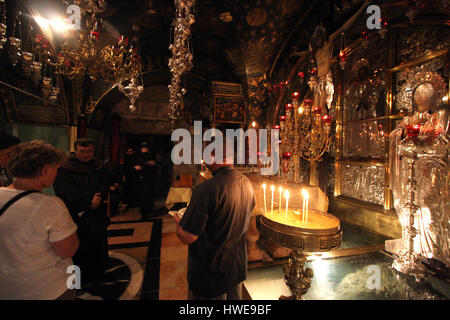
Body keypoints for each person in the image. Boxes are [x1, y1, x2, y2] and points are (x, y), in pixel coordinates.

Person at [173, 138, 256, 300]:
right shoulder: (246, 183)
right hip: (235, 268)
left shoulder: (206, 189)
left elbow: (188, 236)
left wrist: (179, 223)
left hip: (211, 274)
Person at [0, 140, 79, 300]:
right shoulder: (51, 206)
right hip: (46, 288)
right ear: (44, 170)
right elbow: (68, 250)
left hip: (6, 287)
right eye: (55, 169)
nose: (56, 174)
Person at [390, 80, 449, 268]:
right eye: (417, 94)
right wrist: (404, 132)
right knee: (410, 206)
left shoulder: (441, 114)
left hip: (431, 169)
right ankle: (413, 248)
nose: (419, 98)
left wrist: (418, 144)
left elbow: (443, 143)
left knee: (430, 211)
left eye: (424, 94)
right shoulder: (411, 118)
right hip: (410, 170)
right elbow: (397, 136)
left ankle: (434, 252)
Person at [292, 0, 371, 113]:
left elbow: (345, 26)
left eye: (319, 35)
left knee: (322, 105)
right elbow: (304, 52)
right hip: (318, 79)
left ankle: (324, 129)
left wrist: (363, 6)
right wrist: (295, 54)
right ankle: (316, 128)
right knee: (315, 107)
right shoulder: (314, 49)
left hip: (325, 76)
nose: (317, 39)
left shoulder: (328, 42)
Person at [53, 138, 111, 288]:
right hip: (76, 213)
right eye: (82, 151)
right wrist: (88, 202)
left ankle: (99, 274)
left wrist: (99, 197)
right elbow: (64, 190)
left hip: (96, 212)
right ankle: (81, 278)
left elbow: (105, 183)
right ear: (76, 150)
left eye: (89, 151)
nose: (85, 155)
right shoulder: (65, 167)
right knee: (80, 247)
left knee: (98, 244)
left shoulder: (98, 165)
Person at [133, 141, 157, 219]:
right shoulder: (138, 157)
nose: (145, 150)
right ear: (141, 149)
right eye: (144, 149)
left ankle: (149, 211)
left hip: (149, 179)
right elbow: (136, 167)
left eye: (146, 149)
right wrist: (138, 167)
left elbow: (154, 167)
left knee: (149, 196)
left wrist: (151, 164)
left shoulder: (151, 156)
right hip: (141, 180)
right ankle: (143, 213)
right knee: (143, 196)